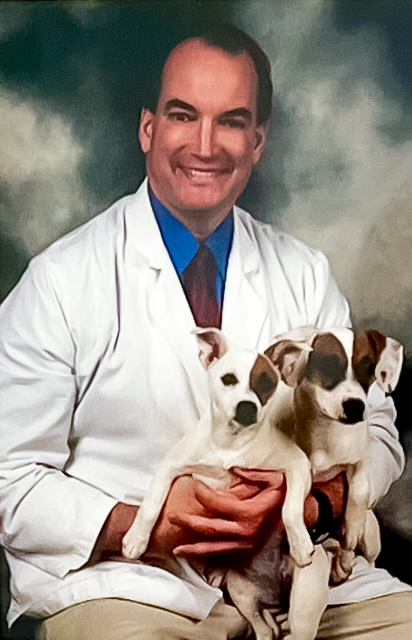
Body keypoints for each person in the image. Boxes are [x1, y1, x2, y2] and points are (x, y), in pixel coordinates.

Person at [0, 25, 410, 640]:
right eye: (183, 115)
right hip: (136, 582)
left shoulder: (304, 271)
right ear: (148, 128)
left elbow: (376, 426)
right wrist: (149, 522)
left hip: (303, 573)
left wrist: (314, 504)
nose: (206, 144)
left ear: (259, 142)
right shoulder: (60, 281)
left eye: (232, 121)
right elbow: (11, 476)